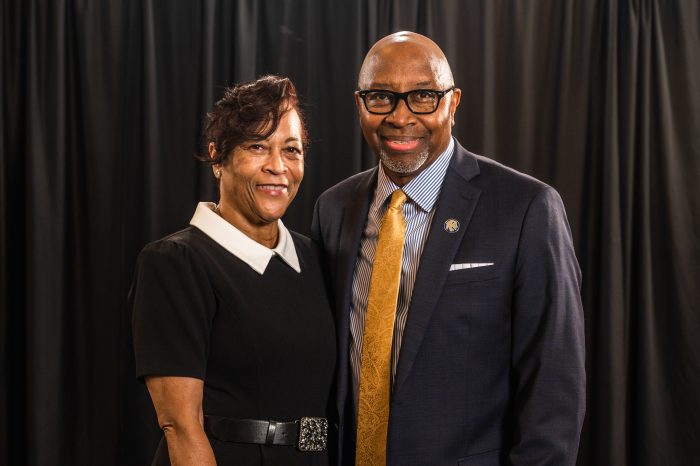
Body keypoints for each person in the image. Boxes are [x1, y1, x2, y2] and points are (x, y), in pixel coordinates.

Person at [312, 31, 585, 466]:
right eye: (381, 97)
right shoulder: (333, 208)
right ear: (360, 105)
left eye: (423, 96)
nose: (400, 117)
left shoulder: (526, 207)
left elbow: (554, 384)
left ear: (452, 103)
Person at [130, 75, 336, 466]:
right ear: (218, 158)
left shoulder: (316, 258)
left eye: (291, 150)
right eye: (257, 146)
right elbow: (180, 425)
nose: (278, 167)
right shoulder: (175, 262)